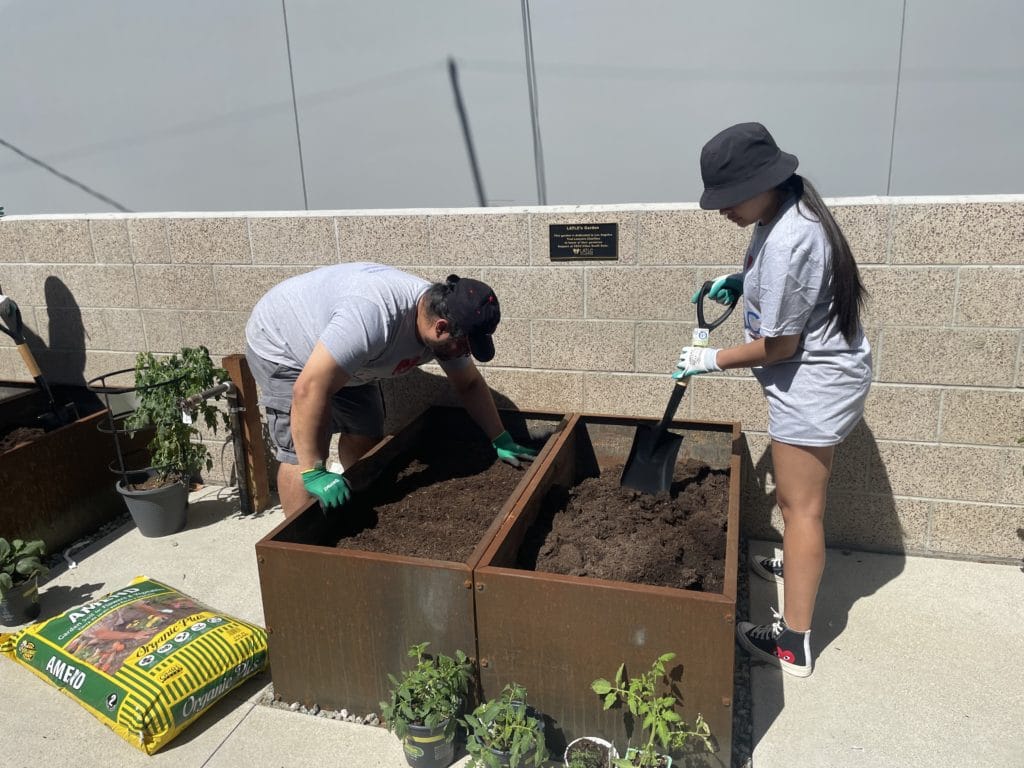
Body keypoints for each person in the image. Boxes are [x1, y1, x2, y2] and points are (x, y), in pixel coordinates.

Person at [675, 122, 872, 677]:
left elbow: (782, 345)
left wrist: (710, 359)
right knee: (797, 505)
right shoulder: (779, 215)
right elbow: (791, 291)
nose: (723, 210)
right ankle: (797, 562)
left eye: (730, 198)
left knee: (800, 509)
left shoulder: (789, 238)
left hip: (812, 385)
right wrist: (741, 281)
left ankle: (793, 644)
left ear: (765, 183)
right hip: (810, 378)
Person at [244, 262, 537, 518]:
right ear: (441, 327)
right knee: (302, 455)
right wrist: (314, 470)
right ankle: (297, 545)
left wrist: (500, 437)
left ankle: (354, 504)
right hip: (285, 347)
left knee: (366, 433)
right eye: (463, 346)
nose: (464, 354)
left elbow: (469, 383)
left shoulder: (443, 325)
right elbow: (309, 389)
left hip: (346, 360)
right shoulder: (372, 317)